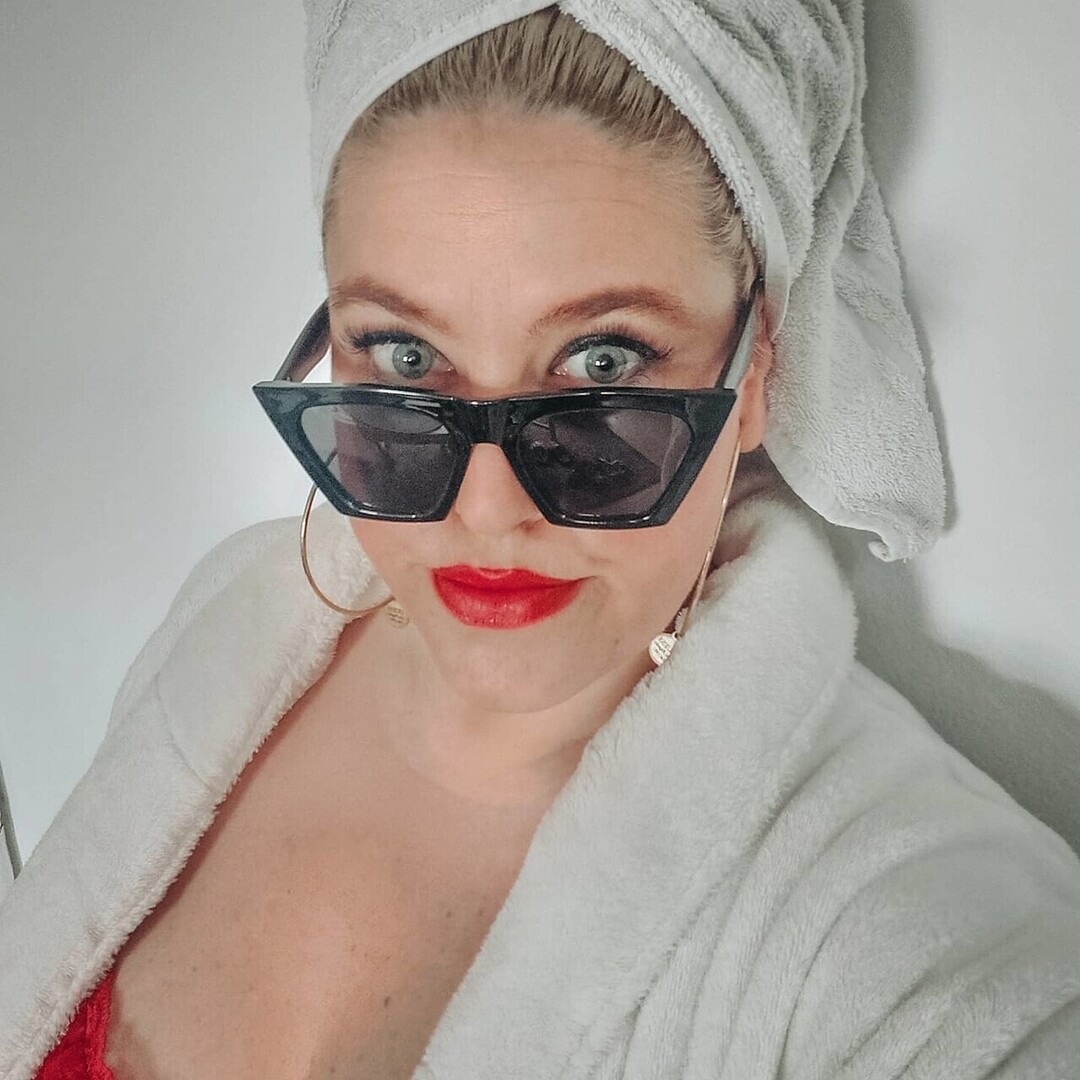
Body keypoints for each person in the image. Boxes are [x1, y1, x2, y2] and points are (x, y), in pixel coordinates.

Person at [4, 4, 1080, 1079]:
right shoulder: (229, 615)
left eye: (603, 366)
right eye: (406, 357)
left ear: (757, 370)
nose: (486, 510)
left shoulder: (909, 942)